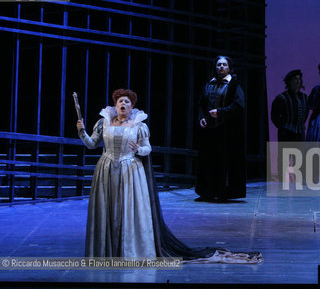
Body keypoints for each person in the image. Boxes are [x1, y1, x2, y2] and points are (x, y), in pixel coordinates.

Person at [77, 89, 262, 262]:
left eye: (127, 101)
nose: (123, 104)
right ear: (115, 105)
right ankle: (106, 251)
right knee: (107, 208)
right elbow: (92, 144)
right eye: (120, 101)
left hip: (130, 172)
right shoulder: (104, 123)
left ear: (132, 106)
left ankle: (129, 251)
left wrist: (139, 149)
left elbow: (148, 148)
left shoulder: (139, 125)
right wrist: (82, 132)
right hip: (106, 170)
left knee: (128, 210)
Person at [196, 56, 246, 202]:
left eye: (224, 65)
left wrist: (221, 112)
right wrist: (202, 117)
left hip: (227, 130)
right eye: (219, 65)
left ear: (229, 68)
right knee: (209, 161)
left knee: (224, 162)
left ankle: (224, 192)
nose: (221, 67)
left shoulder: (234, 84)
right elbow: (201, 104)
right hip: (210, 130)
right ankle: (208, 191)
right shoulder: (209, 84)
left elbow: (239, 106)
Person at [271, 69, 308, 142]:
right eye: (295, 79)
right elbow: (274, 116)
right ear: (289, 82)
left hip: (300, 133)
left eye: (299, 79)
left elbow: (306, 113)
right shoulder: (282, 98)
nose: (298, 81)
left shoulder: (304, 97)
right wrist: (283, 127)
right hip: (286, 133)